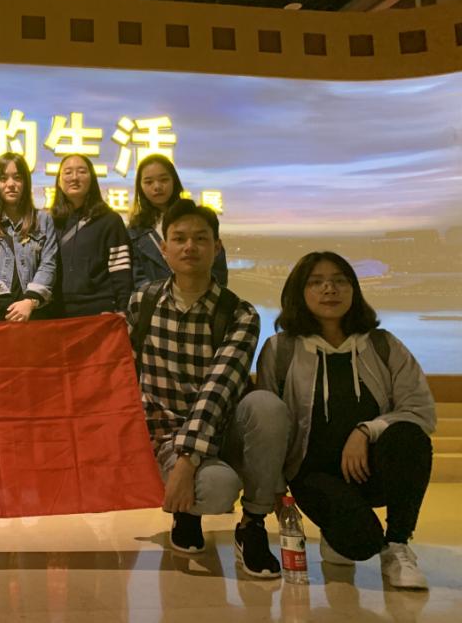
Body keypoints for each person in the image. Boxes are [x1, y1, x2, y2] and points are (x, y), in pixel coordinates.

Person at [127, 199, 287, 579]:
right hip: (165, 435)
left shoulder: (240, 314)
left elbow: (217, 389)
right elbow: (120, 370)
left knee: (267, 407)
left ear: (217, 247)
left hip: (221, 429)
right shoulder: (142, 302)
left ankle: (253, 523)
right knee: (217, 488)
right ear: (163, 249)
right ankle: (187, 514)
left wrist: (187, 461)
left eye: (200, 238)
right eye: (179, 238)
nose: (189, 247)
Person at [256, 251, 436, 589]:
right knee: (359, 542)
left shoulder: (383, 345)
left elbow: (420, 410)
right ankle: (342, 529)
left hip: (371, 468)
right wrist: (276, 487)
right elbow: (269, 424)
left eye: (340, 281)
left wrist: (365, 431)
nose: (330, 289)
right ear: (299, 292)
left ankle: (397, 546)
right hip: (313, 473)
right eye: (316, 282)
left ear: (354, 289)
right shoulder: (280, 350)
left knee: (409, 437)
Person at [0, 152, 57, 321]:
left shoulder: (43, 220)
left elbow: (48, 265)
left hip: (34, 314)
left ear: (26, 182)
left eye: (17, 178)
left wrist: (29, 302)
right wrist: (11, 306)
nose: (11, 184)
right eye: (3, 179)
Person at [50, 154, 132, 316]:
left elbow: (120, 268)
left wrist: (123, 308)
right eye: (68, 172)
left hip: (98, 311)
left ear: (92, 179)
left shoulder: (110, 220)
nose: (75, 177)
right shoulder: (51, 221)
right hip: (56, 311)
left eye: (82, 171)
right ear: (59, 180)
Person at [128, 154, 227, 289]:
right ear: (140, 187)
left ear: (174, 180)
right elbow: (136, 277)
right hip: (155, 300)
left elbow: (217, 267)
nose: (157, 186)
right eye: (149, 182)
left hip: (202, 298)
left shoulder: (197, 218)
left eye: (164, 179)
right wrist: (164, 297)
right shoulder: (135, 230)